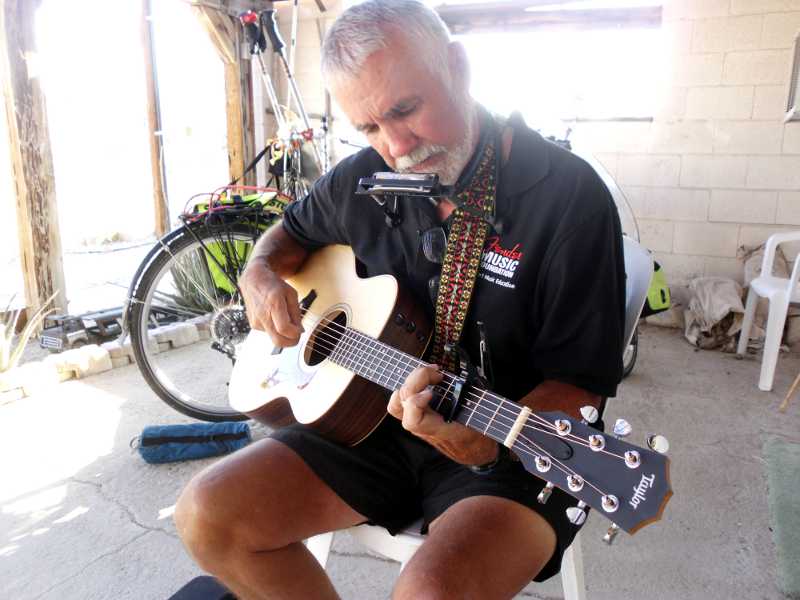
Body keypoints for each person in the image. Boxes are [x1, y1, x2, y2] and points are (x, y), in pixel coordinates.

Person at [174, 1, 626, 598]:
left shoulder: (567, 196)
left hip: (512, 451)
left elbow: (577, 386)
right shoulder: (362, 177)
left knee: (429, 593)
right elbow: (286, 238)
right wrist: (258, 274)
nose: (396, 145)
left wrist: (480, 439)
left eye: (407, 110)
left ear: (458, 68)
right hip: (367, 421)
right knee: (207, 515)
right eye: (368, 127)